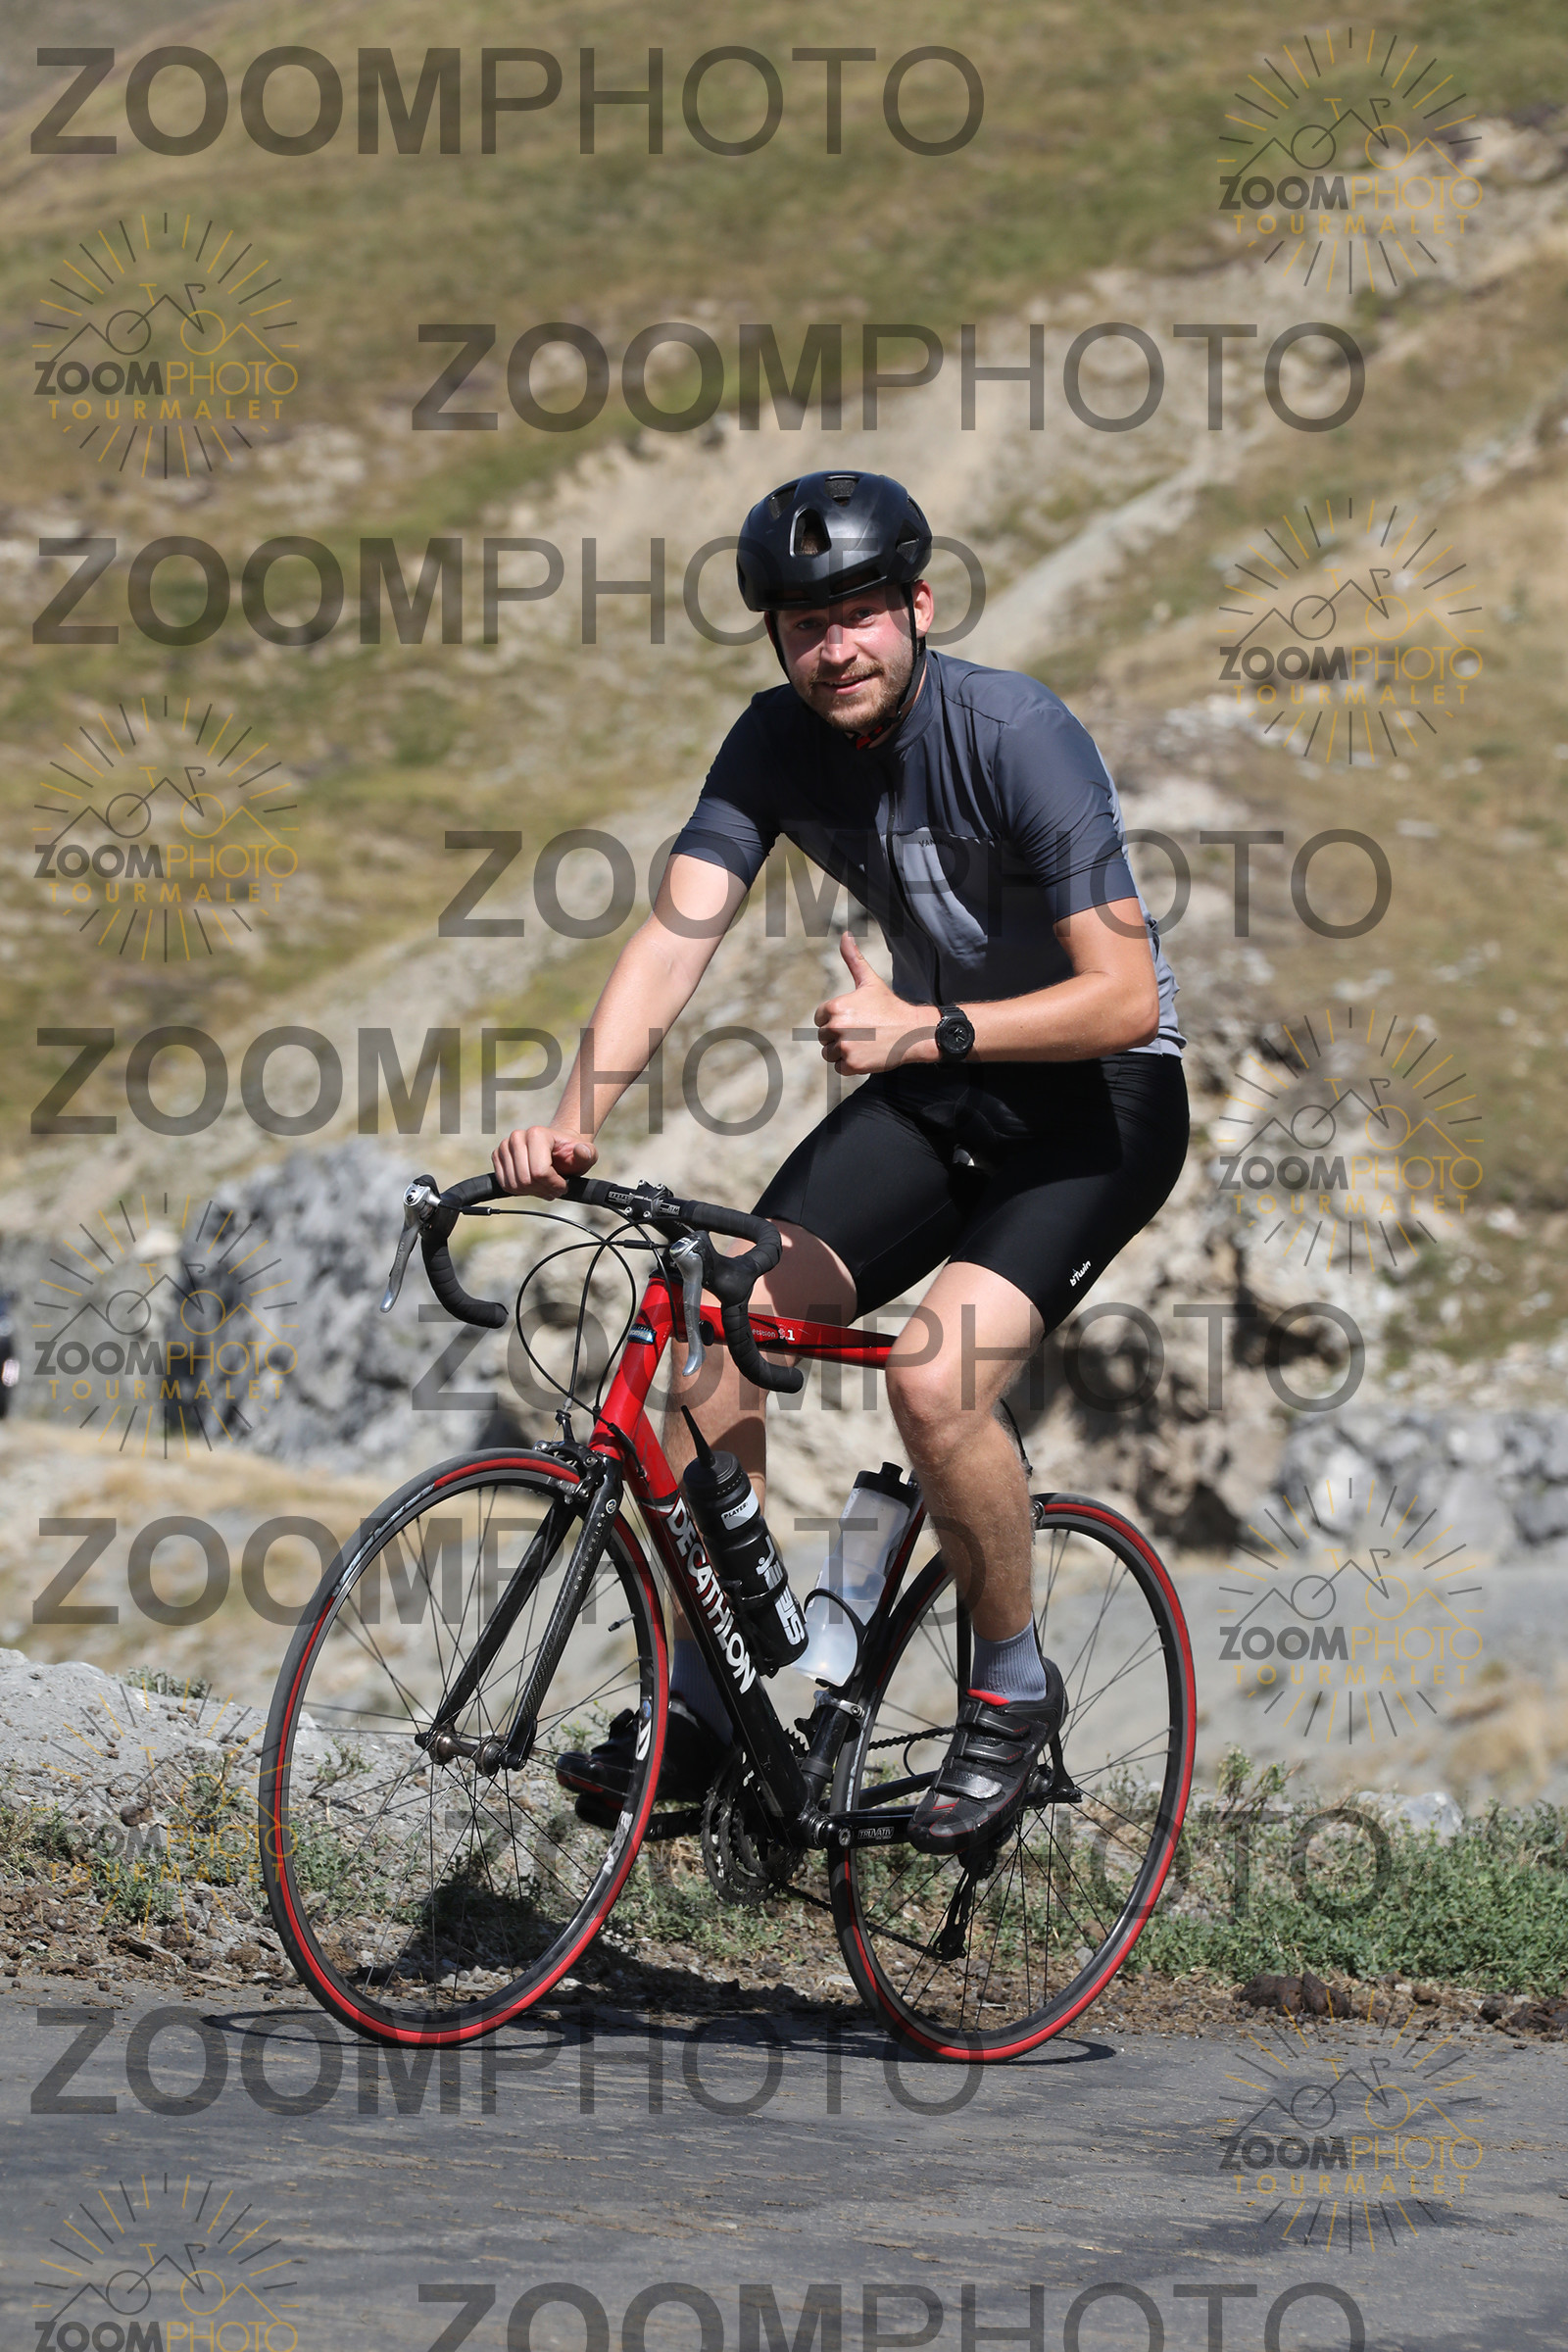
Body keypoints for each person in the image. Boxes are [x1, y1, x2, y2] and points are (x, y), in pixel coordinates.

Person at [495, 470, 1188, 1854]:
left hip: (1096, 1109)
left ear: (918, 607)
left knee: (934, 1379)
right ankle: (709, 1704)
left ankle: (1010, 1687)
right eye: (805, 625)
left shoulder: (1017, 733)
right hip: (939, 1091)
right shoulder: (773, 742)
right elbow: (676, 935)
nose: (835, 648)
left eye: (860, 613)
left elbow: (1123, 998)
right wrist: (575, 1111)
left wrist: (927, 1028)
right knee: (717, 1316)